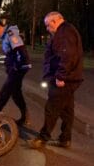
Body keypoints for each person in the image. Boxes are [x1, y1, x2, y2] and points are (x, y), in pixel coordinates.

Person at [28, 11, 83, 149]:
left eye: (48, 25)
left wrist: (60, 76)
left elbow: (67, 55)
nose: (47, 28)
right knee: (67, 111)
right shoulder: (66, 31)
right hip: (69, 79)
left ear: (55, 21)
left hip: (63, 80)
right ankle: (65, 139)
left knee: (51, 108)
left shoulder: (64, 32)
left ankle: (42, 138)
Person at [0, 20, 32, 125]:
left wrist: (16, 67)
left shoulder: (10, 33)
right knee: (15, 93)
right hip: (15, 67)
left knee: (5, 91)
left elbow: (20, 50)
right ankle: (25, 117)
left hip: (18, 68)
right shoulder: (5, 36)